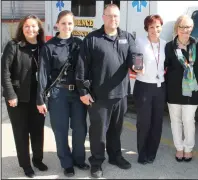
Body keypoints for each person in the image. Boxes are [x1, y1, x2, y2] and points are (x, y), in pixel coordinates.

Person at [75, 4, 137, 178]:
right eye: (109, 16)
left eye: (116, 16)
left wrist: (136, 66)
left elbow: (133, 56)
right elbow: (81, 67)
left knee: (116, 130)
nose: (113, 19)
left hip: (121, 94)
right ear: (103, 17)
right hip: (98, 97)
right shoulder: (92, 39)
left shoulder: (126, 37)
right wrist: (83, 91)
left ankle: (115, 157)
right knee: (98, 132)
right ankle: (96, 162)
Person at [37, 10, 89, 177]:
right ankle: (67, 163)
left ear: (74, 25)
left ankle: (79, 159)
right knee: (60, 130)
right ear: (57, 24)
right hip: (58, 94)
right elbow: (43, 73)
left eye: (70, 23)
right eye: (64, 23)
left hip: (78, 94)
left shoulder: (79, 44)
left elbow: (86, 69)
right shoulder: (49, 46)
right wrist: (41, 99)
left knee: (80, 128)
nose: (67, 26)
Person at [1, 15, 48, 178]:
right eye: (27, 26)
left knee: (37, 131)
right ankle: (26, 165)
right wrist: (10, 94)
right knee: (21, 132)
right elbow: (4, 73)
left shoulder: (43, 47)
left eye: (34, 26)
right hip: (18, 98)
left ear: (39, 29)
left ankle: (37, 159)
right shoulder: (13, 46)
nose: (30, 29)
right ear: (22, 28)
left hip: (38, 98)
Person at [164, 15, 198, 162]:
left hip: (192, 89)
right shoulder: (169, 46)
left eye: (188, 27)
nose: (185, 30)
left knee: (188, 120)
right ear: (177, 28)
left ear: (192, 28)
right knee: (175, 121)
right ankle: (179, 148)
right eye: (182, 27)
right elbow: (165, 65)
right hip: (173, 89)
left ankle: (188, 148)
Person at [133, 14, 167, 165]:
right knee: (144, 122)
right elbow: (133, 58)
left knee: (157, 123)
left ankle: (152, 152)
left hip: (160, 87)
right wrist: (136, 67)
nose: (155, 29)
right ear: (147, 28)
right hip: (144, 86)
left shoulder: (165, 44)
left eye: (158, 26)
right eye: (151, 27)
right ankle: (142, 152)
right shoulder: (139, 41)